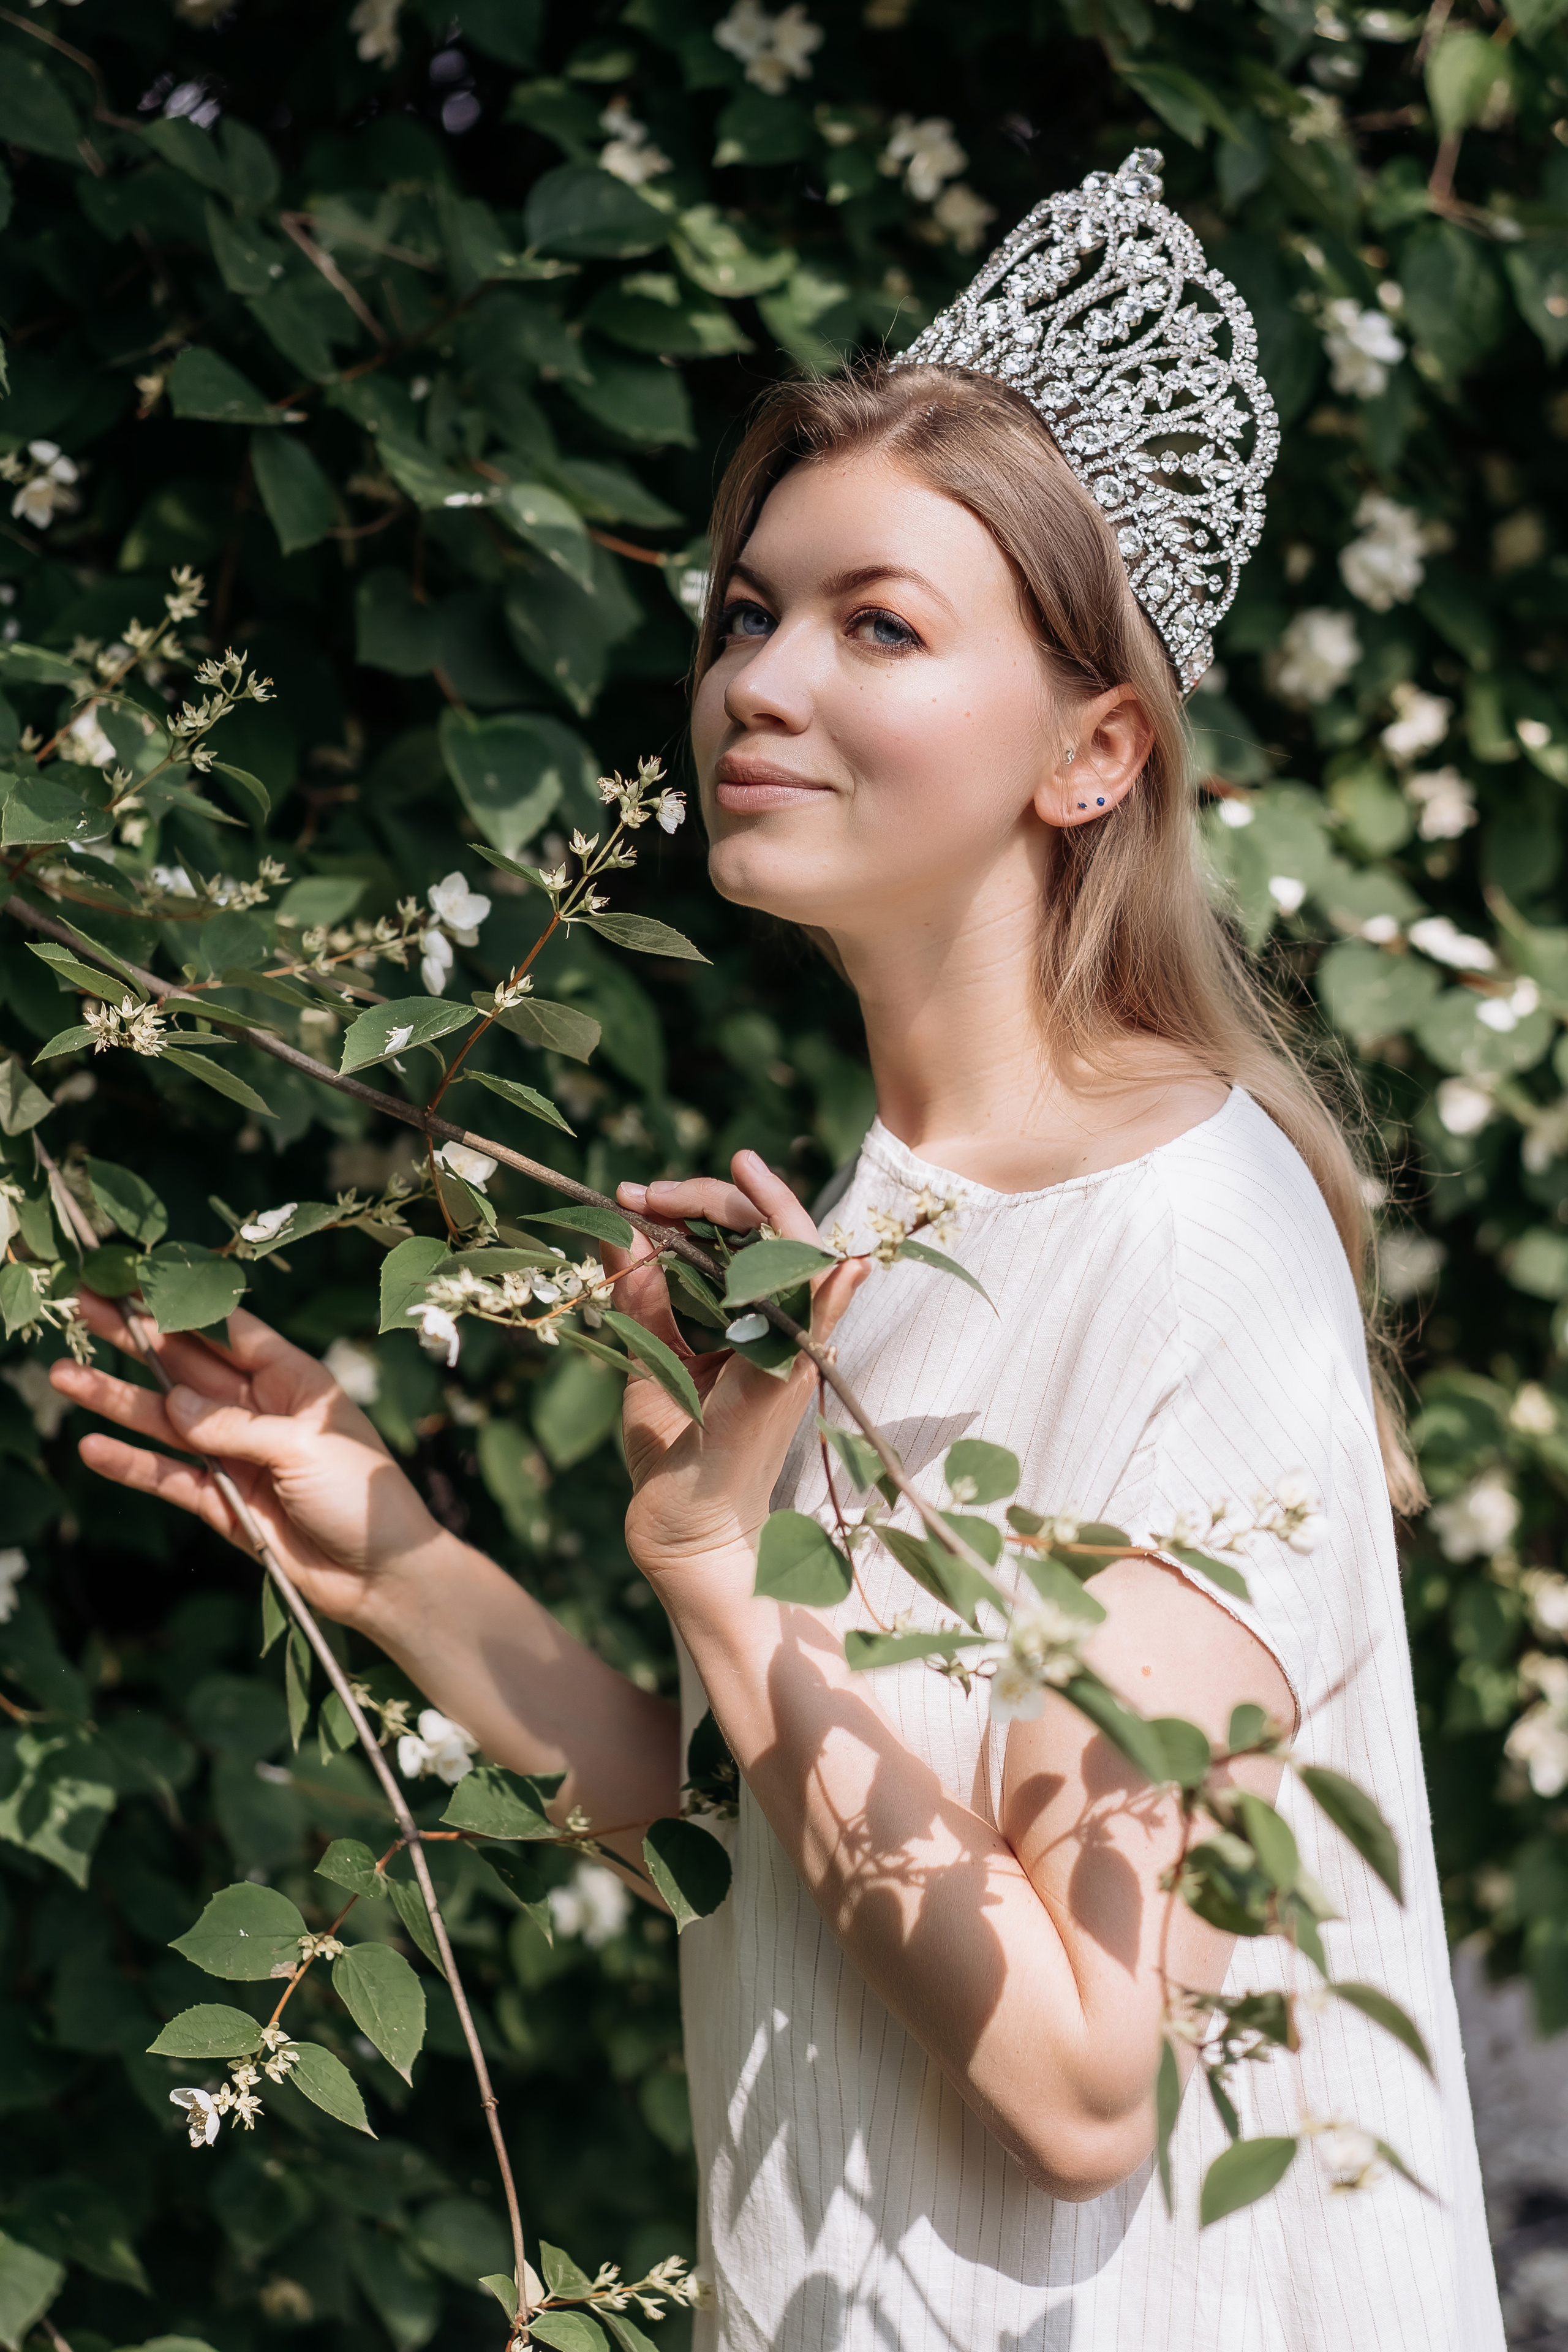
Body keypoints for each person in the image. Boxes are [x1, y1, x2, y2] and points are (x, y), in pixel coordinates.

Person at [54, 154, 1502, 2351]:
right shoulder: (889, 1210)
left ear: (1096, 750)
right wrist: (397, 1557)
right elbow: (798, 1849)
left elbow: (1085, 2074)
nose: (759, 680)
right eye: (745, 613)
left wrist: (723, 1560)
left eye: (877, 625)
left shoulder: (1191, 1244)